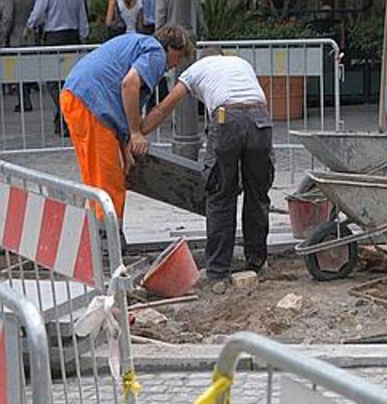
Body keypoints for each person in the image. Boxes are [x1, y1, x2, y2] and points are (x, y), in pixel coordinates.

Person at [141, 49, 274, 293]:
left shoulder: (195, 70)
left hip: (227, 117)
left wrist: (138, 132)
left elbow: (164, 108)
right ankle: (256, 263)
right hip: (260, 119)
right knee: (257, 196)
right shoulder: (240, 63)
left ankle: (218, 272)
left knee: (221, 195)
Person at [60, 25, 193, 233]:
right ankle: (109, 240)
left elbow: (120, 107)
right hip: (92, 103)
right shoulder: (156, 52)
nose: (175, 65)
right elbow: (129, 84)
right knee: (110, 179)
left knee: (94, 176)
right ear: (171, 48)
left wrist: (124, 146)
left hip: (77, 98)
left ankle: (96, 235)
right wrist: (135, 133)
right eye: (178, 57)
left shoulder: (139, 44)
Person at [26, 0, 89, 136]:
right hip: (73, 36)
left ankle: (63, 115)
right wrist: (83, 37)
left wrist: (31, 25)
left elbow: (38, 14)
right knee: (71, 81)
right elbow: (82, 17)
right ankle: (65, 116)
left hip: (54, 36)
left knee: (53, 81)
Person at [0, 0, 36, 113]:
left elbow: (8, 17)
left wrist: (3, 35)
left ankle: (24, 101)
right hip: (29, 35)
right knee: (26, 70)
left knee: (18, 71)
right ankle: (26, 99)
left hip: (16, 36)